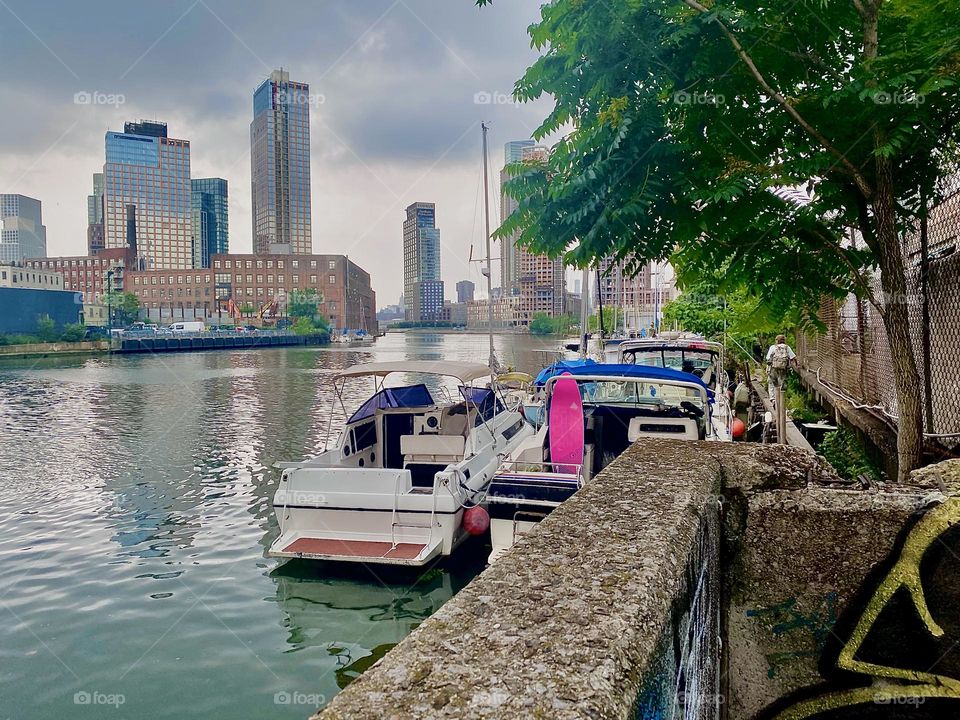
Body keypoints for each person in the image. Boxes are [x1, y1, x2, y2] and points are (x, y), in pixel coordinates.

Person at [766, 334, 796, 400]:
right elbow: (793, 357)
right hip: (783, 368)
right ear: (784, 340)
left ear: (777, 340)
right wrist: (796, 364)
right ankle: (782, 399)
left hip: (773, 368)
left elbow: (768, 358)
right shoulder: (786, 347)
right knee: (782, 382)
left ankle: (773, 399)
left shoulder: (772, 347)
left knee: (772, 383)